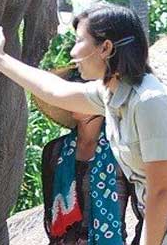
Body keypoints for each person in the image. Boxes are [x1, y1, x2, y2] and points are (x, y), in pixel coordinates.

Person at [0, 3, 167, 245]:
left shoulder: (150, 102)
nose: (72, 52)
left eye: (79, 41)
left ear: (105, 48)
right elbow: (55, 90)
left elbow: (161, 192)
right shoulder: (113, 94)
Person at [37, 68, 141, 244]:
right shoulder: (54, 151)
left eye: (78, 93)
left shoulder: (122, 150)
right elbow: (50, 215)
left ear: (100, 99)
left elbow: (144, 213)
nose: (69, 99)